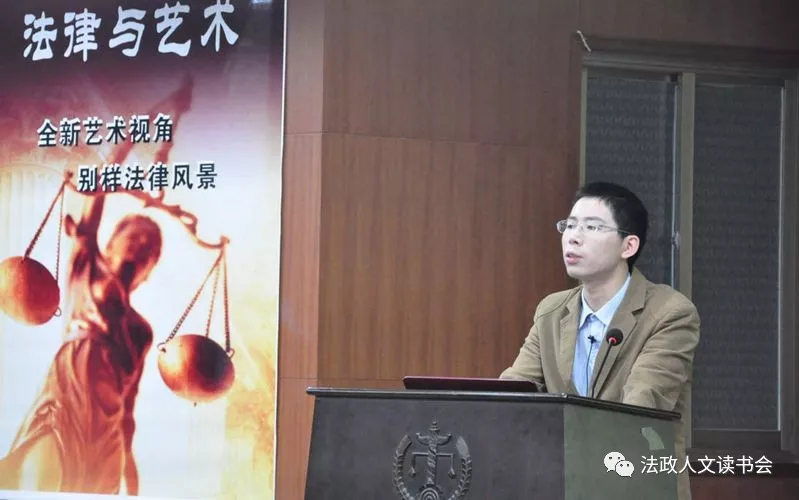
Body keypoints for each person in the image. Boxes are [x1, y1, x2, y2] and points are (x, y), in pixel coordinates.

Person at [500, 181, 700, 500]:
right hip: (563, 486)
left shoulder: (669, 313)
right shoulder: (552, 311)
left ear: (628, 246)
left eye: (592, 227)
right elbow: (514, 391)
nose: (574, 237)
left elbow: (640, 407)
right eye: (570, 225)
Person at [0, 188, 162, 495]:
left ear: (149, 273)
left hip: (109, 433)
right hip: (66, 401)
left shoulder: (142, 331)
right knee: (38, 482)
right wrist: (113, 162)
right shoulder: (87, 268)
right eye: (136, 236)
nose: (143, 245)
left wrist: (129, 459)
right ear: (110, 245)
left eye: (152, 248)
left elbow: (129, 402)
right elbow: (91, 213)